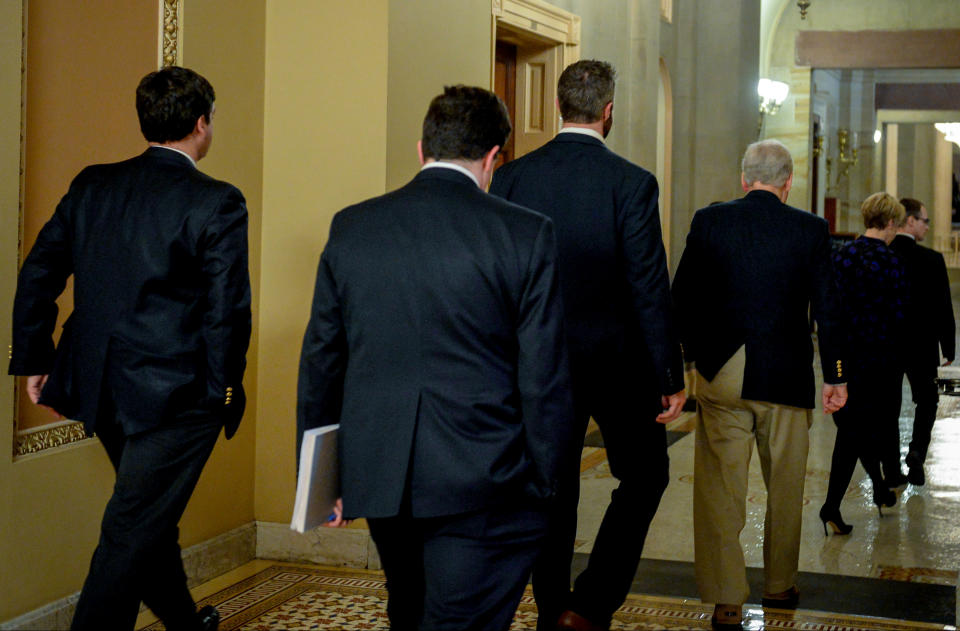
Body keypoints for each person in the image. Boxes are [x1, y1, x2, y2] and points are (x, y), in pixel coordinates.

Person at [297, 85, 575, 631]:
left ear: (421, 148)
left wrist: (320, 480)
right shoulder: (525, 233)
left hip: (380, 475)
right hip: (484, 475)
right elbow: (543, 376)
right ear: (495, 157)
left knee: (410, 607)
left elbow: (322, 360)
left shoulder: (353, 226)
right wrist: (548, 487)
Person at [8, 66, 251, 631]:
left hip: (101, 386)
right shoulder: (218, 201)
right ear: (201, 123)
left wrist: (36, 358)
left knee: (146, 517)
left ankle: (187, 625)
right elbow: (228, 312)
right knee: (133, 525)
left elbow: (38, 272)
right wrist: (223, 391)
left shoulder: (93, 184)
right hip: (179, 397)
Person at [490, 59, 686, 631]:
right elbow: (648, 285)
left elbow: (499, 279)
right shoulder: (631, 182)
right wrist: (669, 376)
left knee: (551, 486)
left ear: (557, 107)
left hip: (534, 363)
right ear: (608, 111)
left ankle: (553, 608)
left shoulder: (512, 178)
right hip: (617, 365)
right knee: (646, 476)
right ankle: (592, 602)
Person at [671, 140, 847, 630]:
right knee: (786, 487)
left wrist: (690, 360)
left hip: (723, 370)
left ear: (744, 178)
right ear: (789, 181)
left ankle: (727, 600)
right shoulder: (811, 228)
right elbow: (828, 310)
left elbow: (681, 298)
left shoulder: (711, 221)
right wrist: (835, 375)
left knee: (720, 489)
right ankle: (779, 585)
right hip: (786, 374)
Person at [820, 192, 907, 533]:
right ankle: (830, 506)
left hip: (842, 358)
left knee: (853, 431)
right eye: (896, 224)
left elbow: (829, 308)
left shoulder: (842, 255)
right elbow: (900, 316)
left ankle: (879, 490)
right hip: (878, 361)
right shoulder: (891, 261)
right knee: (856, 434)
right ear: (888, 223)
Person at [889, 197, 955, 486]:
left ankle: (891, 466)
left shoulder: (884, 254)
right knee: (927, 401)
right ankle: (916, 452)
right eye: (925, 220)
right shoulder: (932, 259)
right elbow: (943, 307)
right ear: (910, 220)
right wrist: (949, 347)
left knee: (888, 406)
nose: (928, 226)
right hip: (923, 345)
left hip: (887, 344)